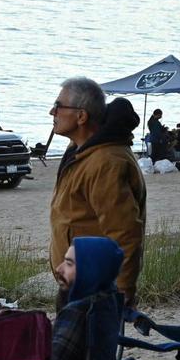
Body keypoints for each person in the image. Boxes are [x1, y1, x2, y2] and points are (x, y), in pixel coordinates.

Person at [48, 77, 145, 307]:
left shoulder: (105, 162)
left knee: (87, 343)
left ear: (81, 116)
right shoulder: (81, 151)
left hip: (96, 288)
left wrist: (121, 292)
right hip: (77, 280)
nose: (52, 111)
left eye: (59, 106)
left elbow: (125, 233)